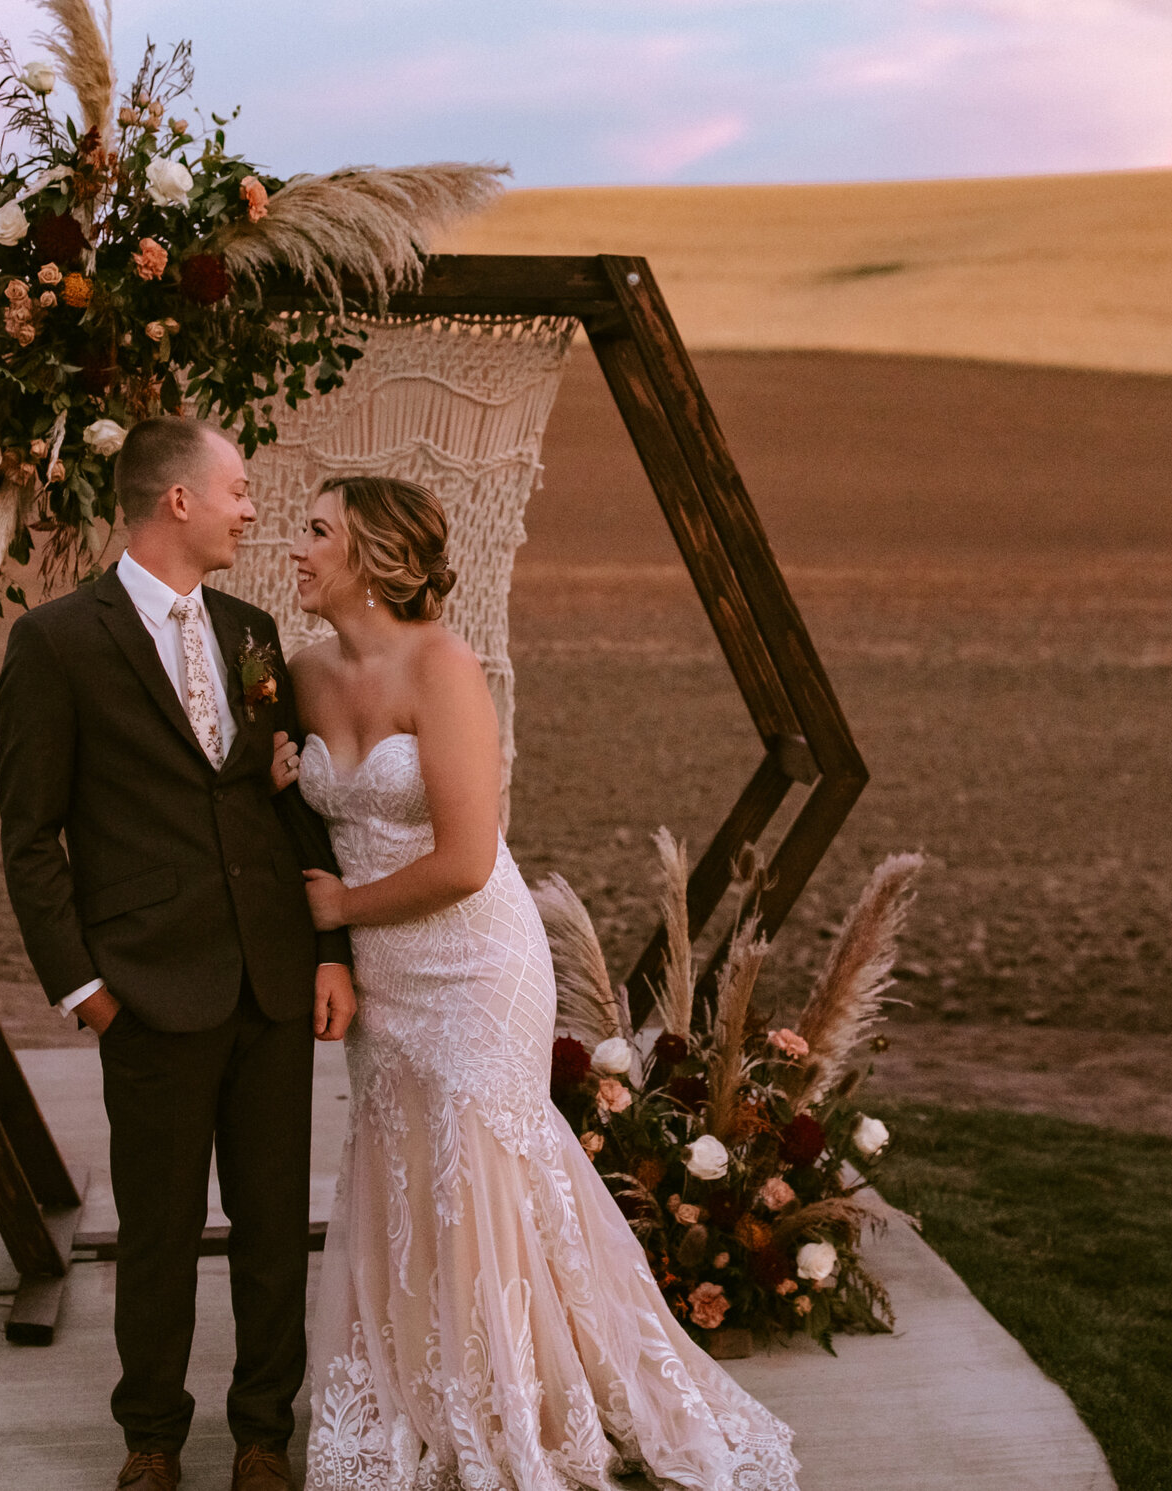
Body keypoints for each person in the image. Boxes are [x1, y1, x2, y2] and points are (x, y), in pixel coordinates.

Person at [272, 475, 800, 1491]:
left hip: (472, 963)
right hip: (383, 983)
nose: (298, 546)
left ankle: (519, 1404)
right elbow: (295, 818)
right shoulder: (298, 672)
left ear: (376, 559)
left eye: (317, 530)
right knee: (404, 1173)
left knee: (482, 1177)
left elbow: (468, 857)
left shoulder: (445, 667)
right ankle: (429, 1392)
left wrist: (339, 910)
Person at [0, 415, 357, 1491]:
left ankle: (262, 1435)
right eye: (239, 489)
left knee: (274, 1223)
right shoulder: (57, 641)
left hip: (272, 980)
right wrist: (88, 989)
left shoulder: (251, 633)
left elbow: (284, 800)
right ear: (178, 501)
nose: (254, 510)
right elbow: (27, 836)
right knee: (155, 1228)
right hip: (145, 992)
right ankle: (149, 1436)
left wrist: (328, 948)